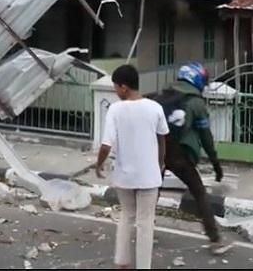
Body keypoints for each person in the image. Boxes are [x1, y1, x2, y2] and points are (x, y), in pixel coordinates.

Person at [96, 64, 168, 269]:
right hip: (149, 176)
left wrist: (98, 165)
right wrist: (160, 164)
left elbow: (106, 145)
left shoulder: (115, 110)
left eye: (115, 88)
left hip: (125, 177)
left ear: (124, 87)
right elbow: (163, 139)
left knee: (126, 216)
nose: (116, 92)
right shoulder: (155, 108)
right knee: (146, 223)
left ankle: (122, 261)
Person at [161, 62, 224, 247]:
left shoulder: (162, 95)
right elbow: (206, 137)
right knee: (199, 192)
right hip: (179, 154)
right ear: (196, 80)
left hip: (157, 151)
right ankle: (214, 238)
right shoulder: (195, 102)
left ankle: (144, 229)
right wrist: (216, 164)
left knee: (153, 190)